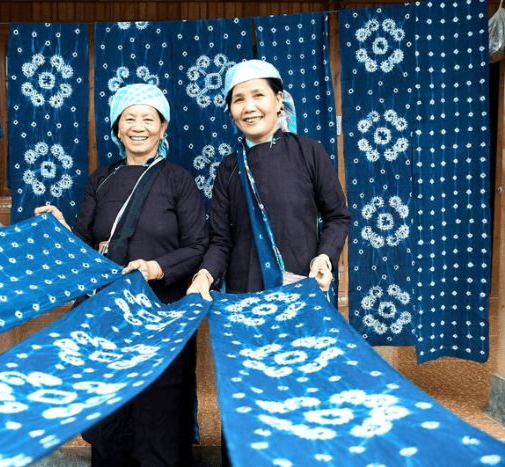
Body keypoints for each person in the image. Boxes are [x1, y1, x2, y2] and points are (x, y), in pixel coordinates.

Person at [35, 83, 207, 467]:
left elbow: (199, 245)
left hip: (163, 314)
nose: (139, 126)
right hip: (108, 317)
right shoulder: (102, 178)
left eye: (149, 118)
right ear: (116, 128)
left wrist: (155, 268)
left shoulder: (178, 180)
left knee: (159, 412)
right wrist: (61, 229)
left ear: (163, 128)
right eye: (130, 118)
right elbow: (82, 244)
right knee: (111, 413)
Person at [187, 58, 350, 300]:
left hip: (302, 289)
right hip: (245, 297)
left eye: (258, 95)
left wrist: (324, 257)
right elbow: (221, 240)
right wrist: (204, 276)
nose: (249, 107)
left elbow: (338, 217)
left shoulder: (309, 152)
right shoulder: (228, 168)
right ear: (230, 111)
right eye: (238, 99)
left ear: (278, 100)